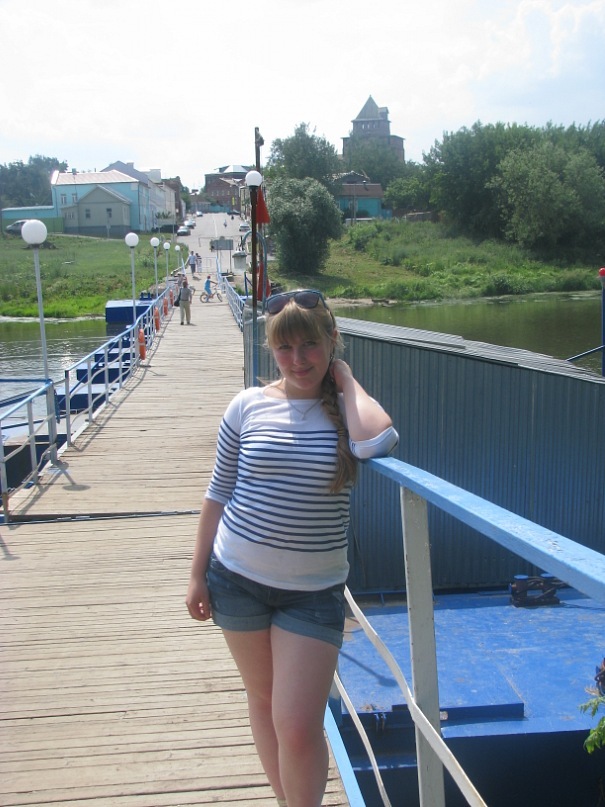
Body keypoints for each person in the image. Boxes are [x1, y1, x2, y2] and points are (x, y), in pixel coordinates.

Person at [186, 289, 398, 807]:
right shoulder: (247, 405)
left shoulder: (344, 410)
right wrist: (196, 574)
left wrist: (344, 379)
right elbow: (218, 493)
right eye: (285, 348)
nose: (298, 359)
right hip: (236, 579)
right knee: (264, 702)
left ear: (332, 340)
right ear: (271, 349)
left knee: (298, 725)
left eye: (310, 345)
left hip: (313, 592)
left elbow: (377, 440)